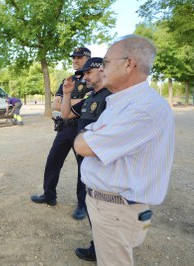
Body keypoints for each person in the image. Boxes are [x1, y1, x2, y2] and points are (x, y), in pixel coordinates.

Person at [74, 35, 174, 265]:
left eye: (106, 62)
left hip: (116, 210)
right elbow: (88, 135)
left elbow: (82, 145)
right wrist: (92, 133)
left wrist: (89, 134)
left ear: (129, 64)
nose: (101, 69)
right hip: (112, 206)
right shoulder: (124, 102)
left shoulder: (142, 109)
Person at [61, 57, 112, 262]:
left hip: (104, 167)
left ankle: (105, 251)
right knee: (95, 211)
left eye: (88, 72)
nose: (85, 78)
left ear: (101, 70)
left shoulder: (112, 98)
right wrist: (66, 93)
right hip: (88, 164)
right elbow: (65, 114)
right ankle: (98, 247)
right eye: (83, 73)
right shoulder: (91, 98)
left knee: (105, 211)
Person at [30, 47, 91, 220]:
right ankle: (49, 195)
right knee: (53, 160)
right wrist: (79, 102)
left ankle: (82, 205)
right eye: (73, 57)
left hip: (82, 128)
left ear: (88, 58)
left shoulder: (91, 79)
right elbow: (56, 104)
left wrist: (68, 101)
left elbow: (92, 103)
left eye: (79, 57)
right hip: (65, 126)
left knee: (83, 167)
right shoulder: (68, 79)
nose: (75, 60)